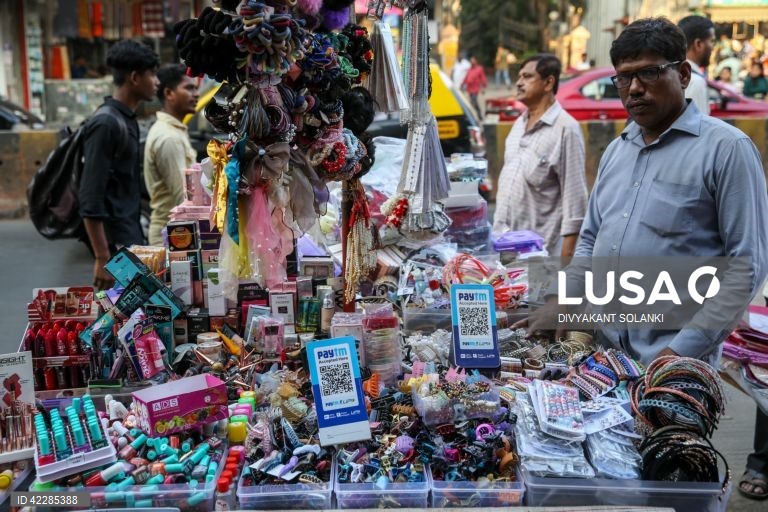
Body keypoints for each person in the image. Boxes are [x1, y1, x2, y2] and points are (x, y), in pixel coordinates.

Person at [521, 17, 768, 364]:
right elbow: (591, 240)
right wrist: (562, 300)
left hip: (675, 370)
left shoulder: (727, 150)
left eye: (649, 73)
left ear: (682, 74)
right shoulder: (617, 151)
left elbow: (746, 268)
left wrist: (675, 354)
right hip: (605, 362)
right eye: (624, 77)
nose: (634, 88)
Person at [79, 40, 159, 289]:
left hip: (129, 240)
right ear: (135, 77)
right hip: (115, 252)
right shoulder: (106, 124)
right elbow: (90, 198)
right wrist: (103, 256)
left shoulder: (125, 119)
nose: (157, 81)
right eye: (152, 74)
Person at [492, 54, 587, 258]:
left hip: (538, 257)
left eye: (527, 77)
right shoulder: (519, 123)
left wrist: (565, 267)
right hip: (504, 249)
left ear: (548, 82)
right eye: (519, 77)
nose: (519, 83)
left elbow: (575, 205)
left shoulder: (566, 129)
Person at [144, 64, 199, 246]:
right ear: (169, 93)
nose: (196, 94)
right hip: (172, 238)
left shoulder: (174, 130)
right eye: (189, 88)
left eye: (196, 88)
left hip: (178, 234)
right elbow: (183, 197)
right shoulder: (169, 137)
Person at [678, 15, 714, 114]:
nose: (713, 47)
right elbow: (697, 128)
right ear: (698, 44)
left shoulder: (674, 73)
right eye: (711, 41)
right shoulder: (695, 81)